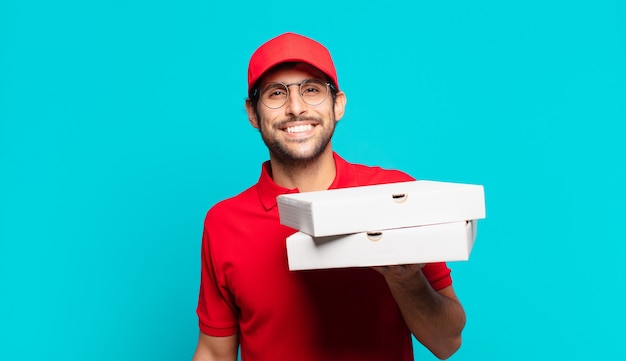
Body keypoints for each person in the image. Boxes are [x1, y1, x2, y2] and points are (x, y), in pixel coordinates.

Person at [192, 32, 466, 361]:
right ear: (253, 113)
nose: (295, 108)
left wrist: (405, 280)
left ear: (338, 105)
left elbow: (447, 342)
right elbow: (213, 351)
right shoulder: (224, 223)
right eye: (276, 93)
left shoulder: (395, 195)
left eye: (311, 90)